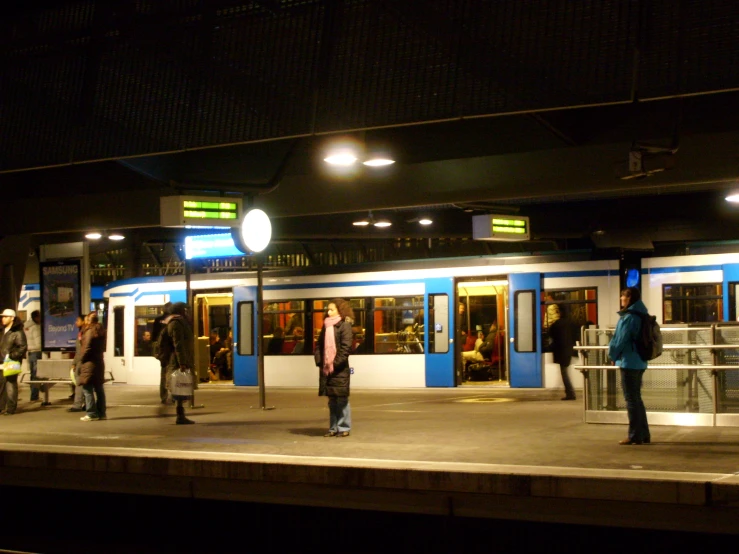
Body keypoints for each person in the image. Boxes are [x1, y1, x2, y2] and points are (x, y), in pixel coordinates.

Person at [608, 287, 651, 445]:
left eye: (623, 297)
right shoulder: (642, 314)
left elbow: (620, 340)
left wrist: (612, 355)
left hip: (629, 361)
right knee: (637, 399)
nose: (621, 299)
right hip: (639, 361)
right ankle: (644, 434)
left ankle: (634, 435)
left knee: (631, 399)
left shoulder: (629, 317)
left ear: (629, 298)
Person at [315, 299, 354, 437]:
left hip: (339, 369)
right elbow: (319, 346)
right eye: (328, 309)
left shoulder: (344, 326)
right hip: (327, 370)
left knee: (342, 400)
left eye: (332, 309)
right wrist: (320, 362)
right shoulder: (326, 326)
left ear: (340, 310)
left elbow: (345, 348)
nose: (328, 312)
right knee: (332, 401)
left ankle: (343, 427)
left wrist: (334, 364)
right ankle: (333, 428)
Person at [161, 302, 195, 424]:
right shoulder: (176, 324)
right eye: (185, 310)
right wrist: (182, 363)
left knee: (180, 387)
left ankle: (180, 413)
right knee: (179, 386)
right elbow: (178, 344)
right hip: (176, 361)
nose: (187, 312)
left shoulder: (180, 323)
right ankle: (178, 414)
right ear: (180, 311)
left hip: (180, 359)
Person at [78, 312, 107, 421]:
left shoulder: (90, 331)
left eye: (86, 319)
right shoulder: (100, 330)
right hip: (99, 362)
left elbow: (87, 346)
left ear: (89, 320)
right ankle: (102, 413)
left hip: (89, 363)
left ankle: (91, 413)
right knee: (99, 388)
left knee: (87, 388)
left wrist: (82, 358)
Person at [0, 309, 27, 416]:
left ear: (12, 318)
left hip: (11, 361)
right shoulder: (2, 331)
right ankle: (1, 407)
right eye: (2, 317)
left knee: (10, 384)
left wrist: (11, 356)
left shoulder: (18, 332)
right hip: (1, 361)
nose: (3, 318)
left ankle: (11, 408)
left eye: (5, 316)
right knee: (1, 384)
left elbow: (22, 347)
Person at [549, 305, 577, 400]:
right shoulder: (572, 323)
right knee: (564, 372)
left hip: (561, 352)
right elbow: (576, 336)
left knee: (564, 373)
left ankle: (570, 393)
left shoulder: (557, 324)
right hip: (569, 351)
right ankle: (569, 392)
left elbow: (551, 335)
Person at [152, 302, 172, 404]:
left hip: (162, 352)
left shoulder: (157, 320)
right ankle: (173, 395)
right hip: (171, 351)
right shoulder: (173, 320)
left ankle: (163, 396)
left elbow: (153, 337)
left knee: (163, 374)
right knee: (172, 373)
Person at [67, 315, 87, 412]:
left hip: (82, 362)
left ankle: (77, 405)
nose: (76, 322)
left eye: (77, 320)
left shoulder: (84, 333)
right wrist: (74, 362)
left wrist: (76, 363)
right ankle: (87, 404)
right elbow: (78, 350)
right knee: (86, 385)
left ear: (83, 321)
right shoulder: (81, 333)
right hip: (81, 362)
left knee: (79, 384)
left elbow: (80, 351)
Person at [24, 310, 42, 402]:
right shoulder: (36, 328)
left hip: (30, 353)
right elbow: (38, 344)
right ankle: (34, 396)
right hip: (36, 352)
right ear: (36, 317)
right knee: (36, 375)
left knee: (33, 374)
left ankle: (34, 395)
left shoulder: (27, 326)